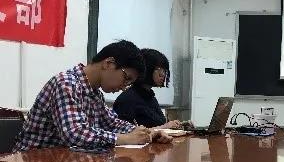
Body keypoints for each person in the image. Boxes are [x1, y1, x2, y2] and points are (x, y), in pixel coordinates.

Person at [14, 40, 171, 152]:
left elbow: (111, 123)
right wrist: (124, 138)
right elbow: (75, 134)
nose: (124, 87)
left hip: (64, 160)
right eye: (126, 78)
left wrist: (145, 133)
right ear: (108, 63)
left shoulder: (95, 93)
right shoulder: (66, 84)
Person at [113, 49, 181, 129]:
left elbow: (158, 124)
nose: (162, 74)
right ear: (146, 69)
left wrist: (174, 125)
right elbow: (126, 133)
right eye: (158, 69)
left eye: (164, 69)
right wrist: (165, 126)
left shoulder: (150, 96)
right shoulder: (127, 99)